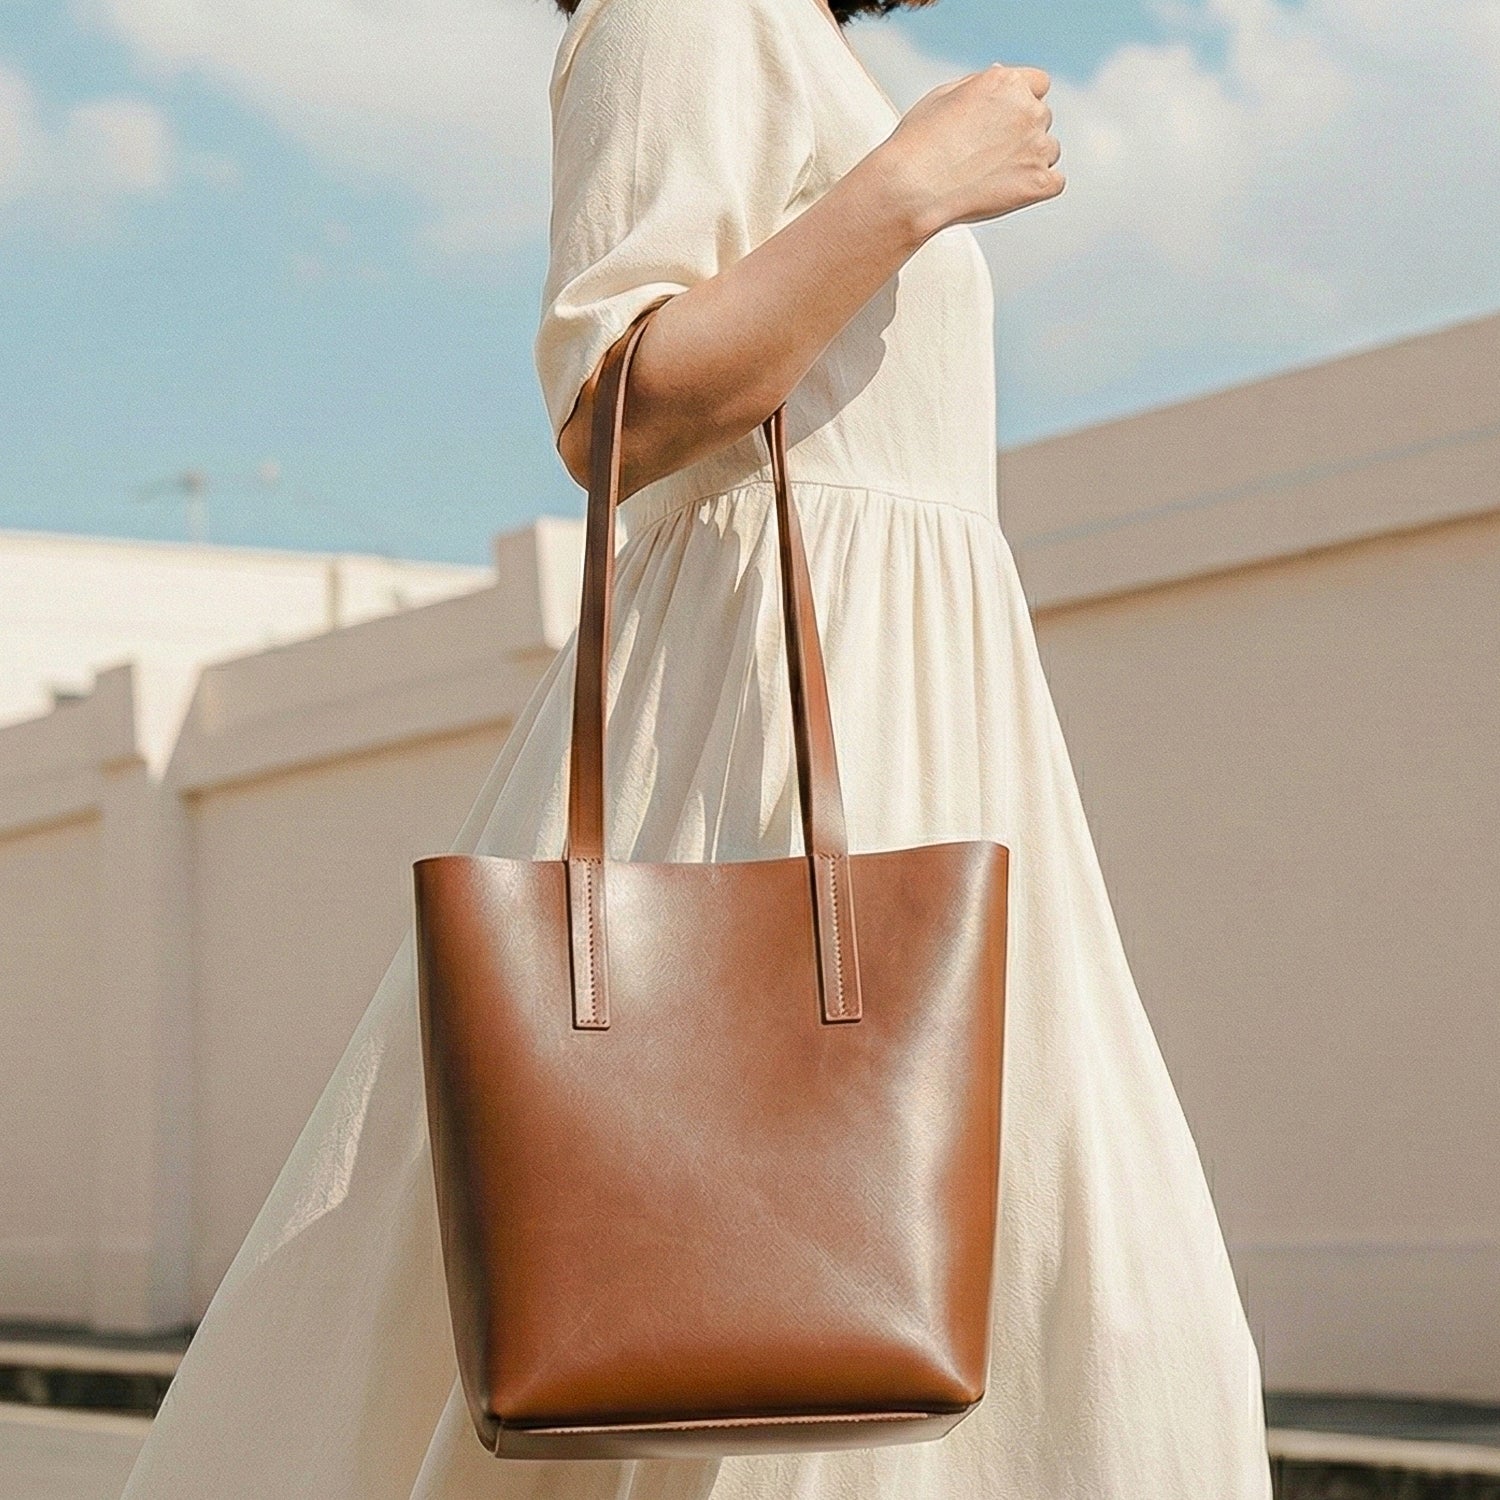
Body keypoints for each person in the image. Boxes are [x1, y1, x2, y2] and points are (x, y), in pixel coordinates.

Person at [118, 0, 1274, 1494]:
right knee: (768, 1296)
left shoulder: (795, 34)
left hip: (940, 726)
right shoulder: (676, 8)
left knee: (1103, 1318)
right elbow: (620, 400)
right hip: (772, 726)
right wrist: (914, 185)